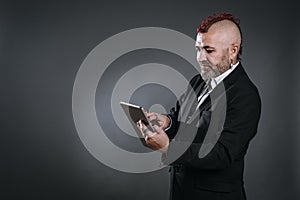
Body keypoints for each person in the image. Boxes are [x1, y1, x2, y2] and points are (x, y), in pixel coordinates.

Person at [138, 13, 261, 200]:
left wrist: (168, 148)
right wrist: (167, 122)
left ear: (233, 51)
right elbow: (184, 123)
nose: (200, 58)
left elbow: (222, 154)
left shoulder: (245, 95)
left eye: (209, 50)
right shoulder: (198, 81)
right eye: (198, 49)